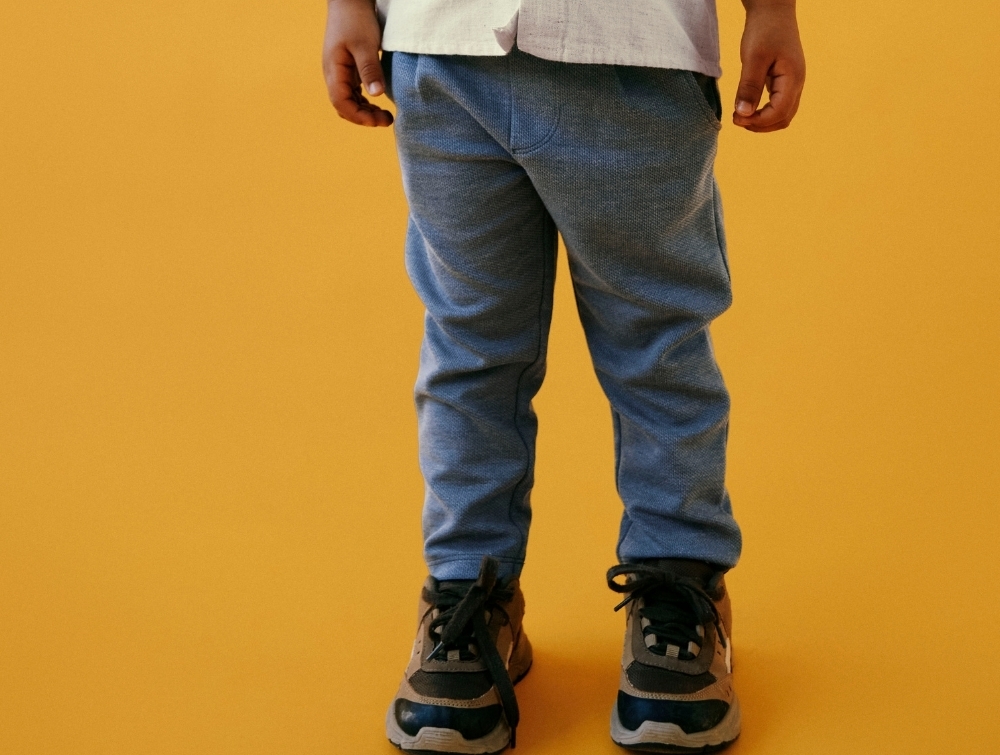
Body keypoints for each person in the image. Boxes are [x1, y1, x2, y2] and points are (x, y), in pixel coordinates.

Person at [322, 1, 805, 751]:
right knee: (471, 348)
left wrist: (772, 9)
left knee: (657, 346)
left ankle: (680, 580)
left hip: (634, 48)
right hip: (442, 44)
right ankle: (469, 592)